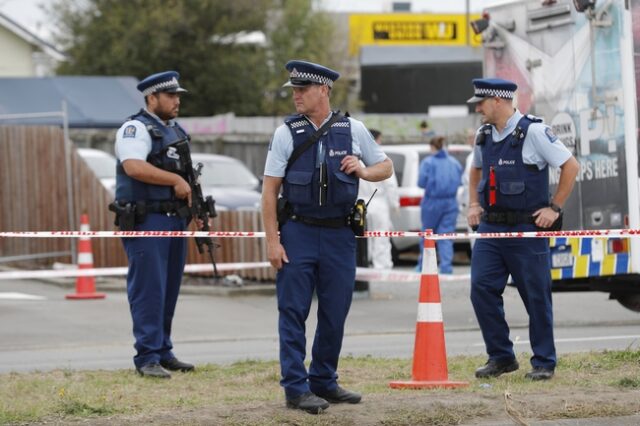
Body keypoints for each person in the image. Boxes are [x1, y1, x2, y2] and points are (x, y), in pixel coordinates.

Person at [262, 60, 393, 414]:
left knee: (336, 311)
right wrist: (273, 241)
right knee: (293, 311)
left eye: (303, 89)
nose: (297, 96)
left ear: (324, 90)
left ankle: (323, 379)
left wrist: (363, 169)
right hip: (298, 231)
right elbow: (269, 189)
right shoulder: (286, 132)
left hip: (339, 235)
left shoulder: (352, 128)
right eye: (294, 90)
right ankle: (295, 387)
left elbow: (386, 166)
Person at [466, 78, 579, 381]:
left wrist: (554, 208)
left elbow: (571, 166)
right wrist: (473, 204)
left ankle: (544, 361)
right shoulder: (484, 134)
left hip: (526, 228)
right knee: (481, 289)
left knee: (535, 296)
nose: (478, 108)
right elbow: (476, 169)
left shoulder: (535, 132)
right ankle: (501, 357)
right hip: (491, 227)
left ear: (499, 101)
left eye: (481, 102)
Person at [112, 71, 196, 379]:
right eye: (171, 96)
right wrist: (174, 180)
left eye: (178, 96)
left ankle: (163, 349)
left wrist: (195, 211)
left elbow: (188, 176)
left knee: (169, 288)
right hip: (147, 219)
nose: (177, 101)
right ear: (152, 98)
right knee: (149, 289)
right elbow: (133, 166)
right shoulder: (135, 128)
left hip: (174, 219)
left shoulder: (175, 130)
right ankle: (146, 356)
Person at [416, 135, 463, 274]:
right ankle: (446, 267)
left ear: (432, 147)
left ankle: (424, 266)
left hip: (432, 202)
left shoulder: (428, 163)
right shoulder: (455, 162)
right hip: (451, 202)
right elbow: (460, 181)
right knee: (446, 235)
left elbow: (421, 183)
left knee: (428, 234)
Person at [356, 129, 399, 270]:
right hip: (379, 201)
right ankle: (382, 266)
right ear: (376, 140)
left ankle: (364, 263)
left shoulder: (358, 158)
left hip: (360, 203)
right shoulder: (380, 158)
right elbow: (390, 185)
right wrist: (394, 205)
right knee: (381, 235)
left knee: (364, 236)